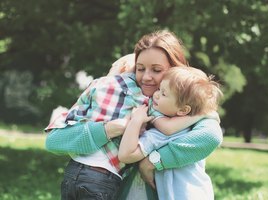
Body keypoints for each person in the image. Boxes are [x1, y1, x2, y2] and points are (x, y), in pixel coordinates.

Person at [45, 30, 222, 200]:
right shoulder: (118, 96)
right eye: (140, 69)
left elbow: (210, 136)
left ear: (175, 72)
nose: (146, 77)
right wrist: (111, 128)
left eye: (157, 70)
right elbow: (54, 140)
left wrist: (152, 162)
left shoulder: (190, 106)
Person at [118, 66, 223, 200]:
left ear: (183, 110)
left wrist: (136, 121)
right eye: (158, 89)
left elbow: (126, 155)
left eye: (163, 93)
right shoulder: (193, 129)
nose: (155, 95)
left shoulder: (161, 135)